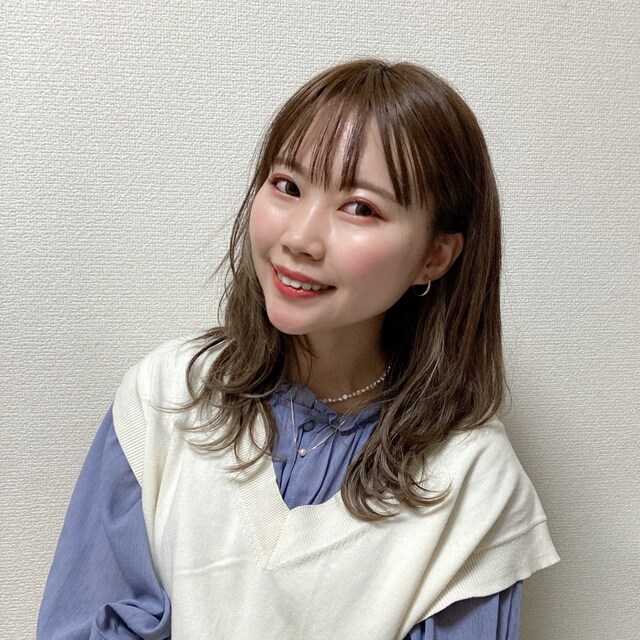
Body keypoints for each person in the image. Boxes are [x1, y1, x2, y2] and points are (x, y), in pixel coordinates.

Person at [38, 59, 559, 639]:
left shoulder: (471, 480)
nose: (300, 238)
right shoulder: (164, 398)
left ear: (434, 256)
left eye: (360, 207)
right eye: (288, 186)